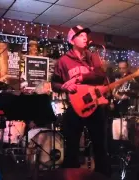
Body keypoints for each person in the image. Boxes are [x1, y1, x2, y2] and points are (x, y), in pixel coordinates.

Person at [51, 25, 110, 177]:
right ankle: (71, 174)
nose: (85, 37)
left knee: (100, 144)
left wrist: (82, 77)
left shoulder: (93, 56)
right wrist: (64, 86)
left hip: (95, 106)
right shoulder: (63, 61)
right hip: (75, 106)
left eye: (86, 35)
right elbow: (54, 84)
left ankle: (103, 175)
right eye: (81, 35)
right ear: (72, 40)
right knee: (71, 144)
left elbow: (100, 76)